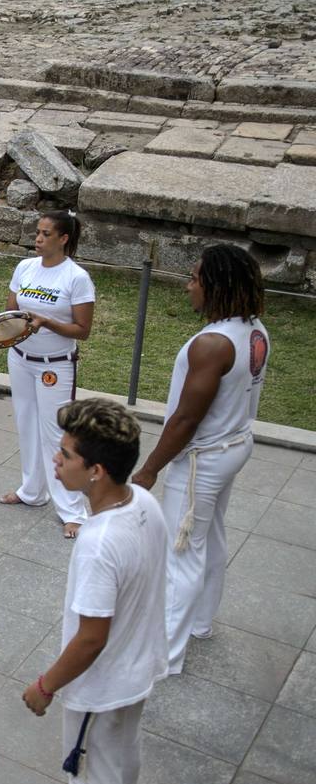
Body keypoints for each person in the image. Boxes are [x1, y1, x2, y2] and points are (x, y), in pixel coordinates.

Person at [17, 398, 168, 784]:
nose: (56, 460)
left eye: (66, 455)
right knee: (124, 748)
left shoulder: (98, 542)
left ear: (97, 470)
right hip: (138, 667)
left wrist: (46, 686)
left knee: (88, 773)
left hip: (101, 684)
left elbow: (90, 637)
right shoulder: (143, 502)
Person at [132, 243, 269, 674]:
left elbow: (186, 419)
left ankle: (165, 657)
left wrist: (149, 469)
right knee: (210, 536)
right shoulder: (256, 330)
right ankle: (201, 623)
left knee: (180, 552)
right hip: (234, 444)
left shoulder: (212, 345)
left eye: (194, 278)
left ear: (216, 286)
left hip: (202, 458)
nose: (188, 285)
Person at [1, 211, 96, 538]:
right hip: (20, 359)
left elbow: (82, 330)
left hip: (55, 364)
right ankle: (32, 491)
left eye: (45, 234)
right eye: (37, 233)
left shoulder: (76, 278)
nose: (38, 239)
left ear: (63, 239)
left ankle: (73, 510)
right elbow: (12, 315)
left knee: (56, 434)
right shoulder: (24, 268)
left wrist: (47, 321)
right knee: (25, 424)